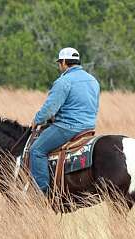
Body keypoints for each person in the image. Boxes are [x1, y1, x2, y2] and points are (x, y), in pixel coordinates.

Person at [29, 47, 100, 195]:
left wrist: (37, 120)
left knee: (36, 150)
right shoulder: (93, 80)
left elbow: (49, 109)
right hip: (88, 128)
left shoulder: (64, 81)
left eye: (59, 63)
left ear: (63, 62)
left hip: (67, 128)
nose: (59, 66)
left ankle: (42, 193)